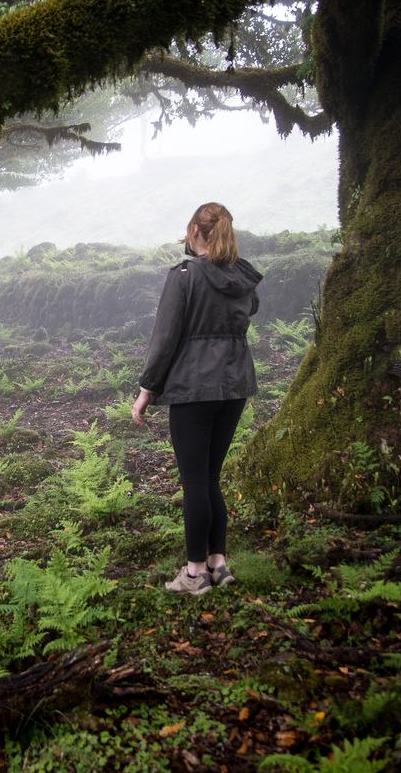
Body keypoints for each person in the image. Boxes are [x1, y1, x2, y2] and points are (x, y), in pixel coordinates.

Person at [132, 202, 261, 596]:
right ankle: (218, 564)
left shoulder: (185, 275)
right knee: (209, 477)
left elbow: (166, 337)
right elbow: (246, 314)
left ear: (195, 232)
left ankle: (194, 573)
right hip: (234, 386)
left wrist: (146, 389)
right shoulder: (242, 276)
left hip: (193, 389)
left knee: (195, 483)